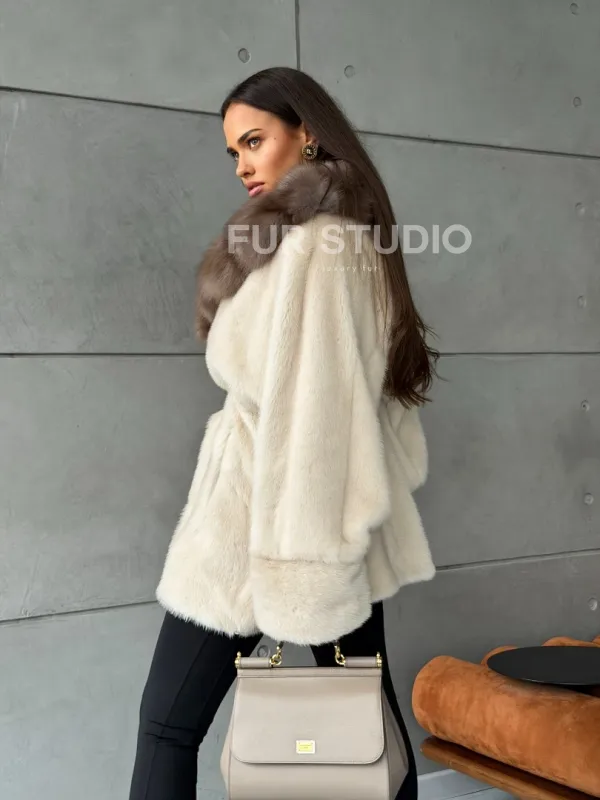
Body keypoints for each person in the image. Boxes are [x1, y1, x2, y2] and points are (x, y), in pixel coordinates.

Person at [128, 66, 440, 800]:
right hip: (321, 527)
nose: (242, 164)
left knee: (167, 728)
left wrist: (304, 574)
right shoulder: (329, 241)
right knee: (369, 730)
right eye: (233, 150)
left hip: (269, 529)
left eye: (254, 140)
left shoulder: (315, 250)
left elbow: (317, 421)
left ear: (307, 136)